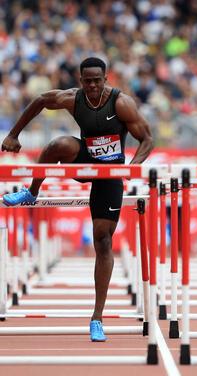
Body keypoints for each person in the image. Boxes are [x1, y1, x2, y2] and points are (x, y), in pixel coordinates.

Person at [1, 57, 154, 341]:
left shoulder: (121, 103)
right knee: (57, 145)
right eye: (88, 81)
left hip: (110, 172)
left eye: (98, 80)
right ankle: (31, 192)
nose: (93, 86)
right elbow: (40, 100)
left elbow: (147, 139)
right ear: (81, 80)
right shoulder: (73, 98)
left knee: (103, 239)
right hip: (84, 162)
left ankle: (97, 318)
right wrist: (13, 134)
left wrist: (133, 166)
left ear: (106, 79)